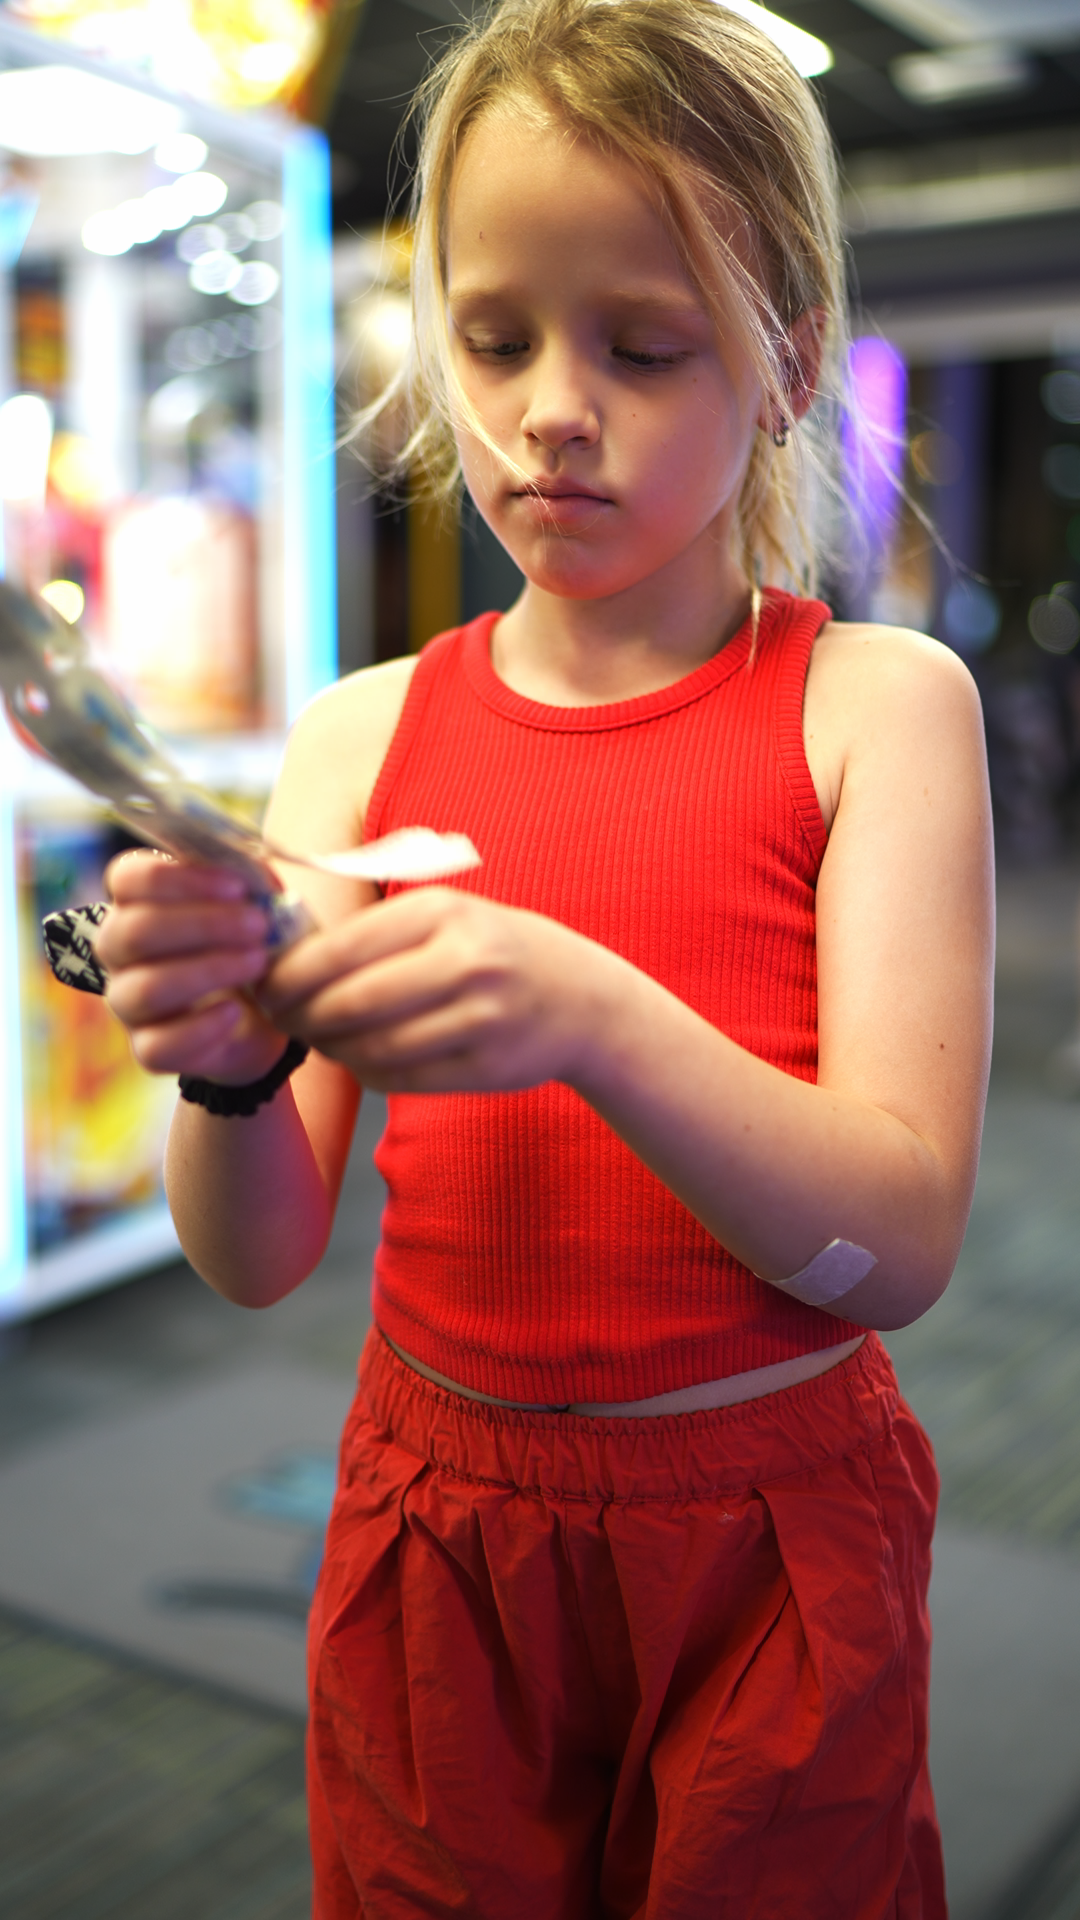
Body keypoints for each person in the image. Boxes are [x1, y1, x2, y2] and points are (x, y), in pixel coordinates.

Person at [95, 0, 994, 1910]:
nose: (549, 410)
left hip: (766, 1532)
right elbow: (256, 1259)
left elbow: (898, 1249)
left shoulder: (872, 706)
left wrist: (594, 1015)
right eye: (494, 338)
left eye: (641, 346)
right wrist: (230, 1064)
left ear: (788, 363)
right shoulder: (358, 738)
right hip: (441, 1528)